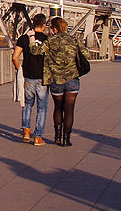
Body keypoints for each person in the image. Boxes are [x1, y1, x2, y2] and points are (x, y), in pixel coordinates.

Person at [29, 17, 85, 147]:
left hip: (56, 80)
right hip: (72, 79)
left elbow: (35, 51)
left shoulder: (50, 40)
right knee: (69, 110)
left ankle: (57, 136)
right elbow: (86, 55)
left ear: (54, 28)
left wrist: (32, 39)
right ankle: (66, 139)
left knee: (58, 108)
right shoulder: (74, 40)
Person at [11, 14, 49, 146]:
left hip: (27, 76)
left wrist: (19, 70)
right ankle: (37, 137)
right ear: (44, 25)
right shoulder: (47, 40)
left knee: (27, 104)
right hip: (42, 78)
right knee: (42, 108)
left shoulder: (23, 38)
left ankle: (26, 131)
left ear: (33, 23)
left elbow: (15, 57)